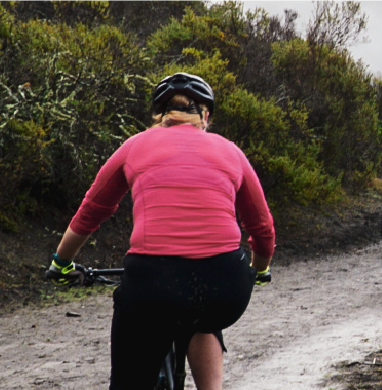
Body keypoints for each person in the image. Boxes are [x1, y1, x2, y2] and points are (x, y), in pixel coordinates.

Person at [46, 72, 274, 390]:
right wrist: (259, 269)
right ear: (205, 115)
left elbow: (91, 212)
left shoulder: (135, 146)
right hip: (225, 285)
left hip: (154, 283)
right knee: (204, 313)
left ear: (160, 115)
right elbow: (262, 228)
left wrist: (62, 261)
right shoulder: (230, 151)